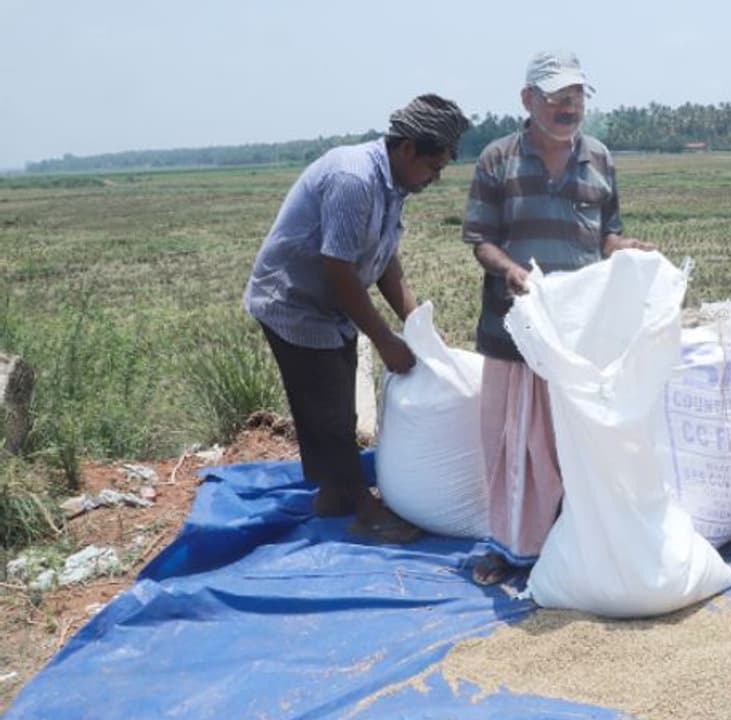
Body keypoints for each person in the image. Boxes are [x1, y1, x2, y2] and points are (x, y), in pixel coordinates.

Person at [463, 51, 654, 584]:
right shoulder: (497, 159)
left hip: (579, 335)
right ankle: (508, 548)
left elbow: (606, 234)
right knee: (513, 445)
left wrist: (624, 248)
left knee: (576, 445)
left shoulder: (600, 159)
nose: (568, 108)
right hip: (514, 331)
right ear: (528, 99)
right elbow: (481, 240)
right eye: (556, 98)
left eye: (576, 98)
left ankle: (576, 541)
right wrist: (511, 271)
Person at [244, 94, 470, 544]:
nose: (434, 178)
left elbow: (384, 260)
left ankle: (333, 495)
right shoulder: (354, 179)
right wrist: (385, 340)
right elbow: (339, 269)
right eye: (433, 167)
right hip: (295, 302)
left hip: (330, 302)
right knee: (329, 409)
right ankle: (364, 508)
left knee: (335, 398)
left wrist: (415, 320)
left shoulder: (394, 185)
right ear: (407, 149)